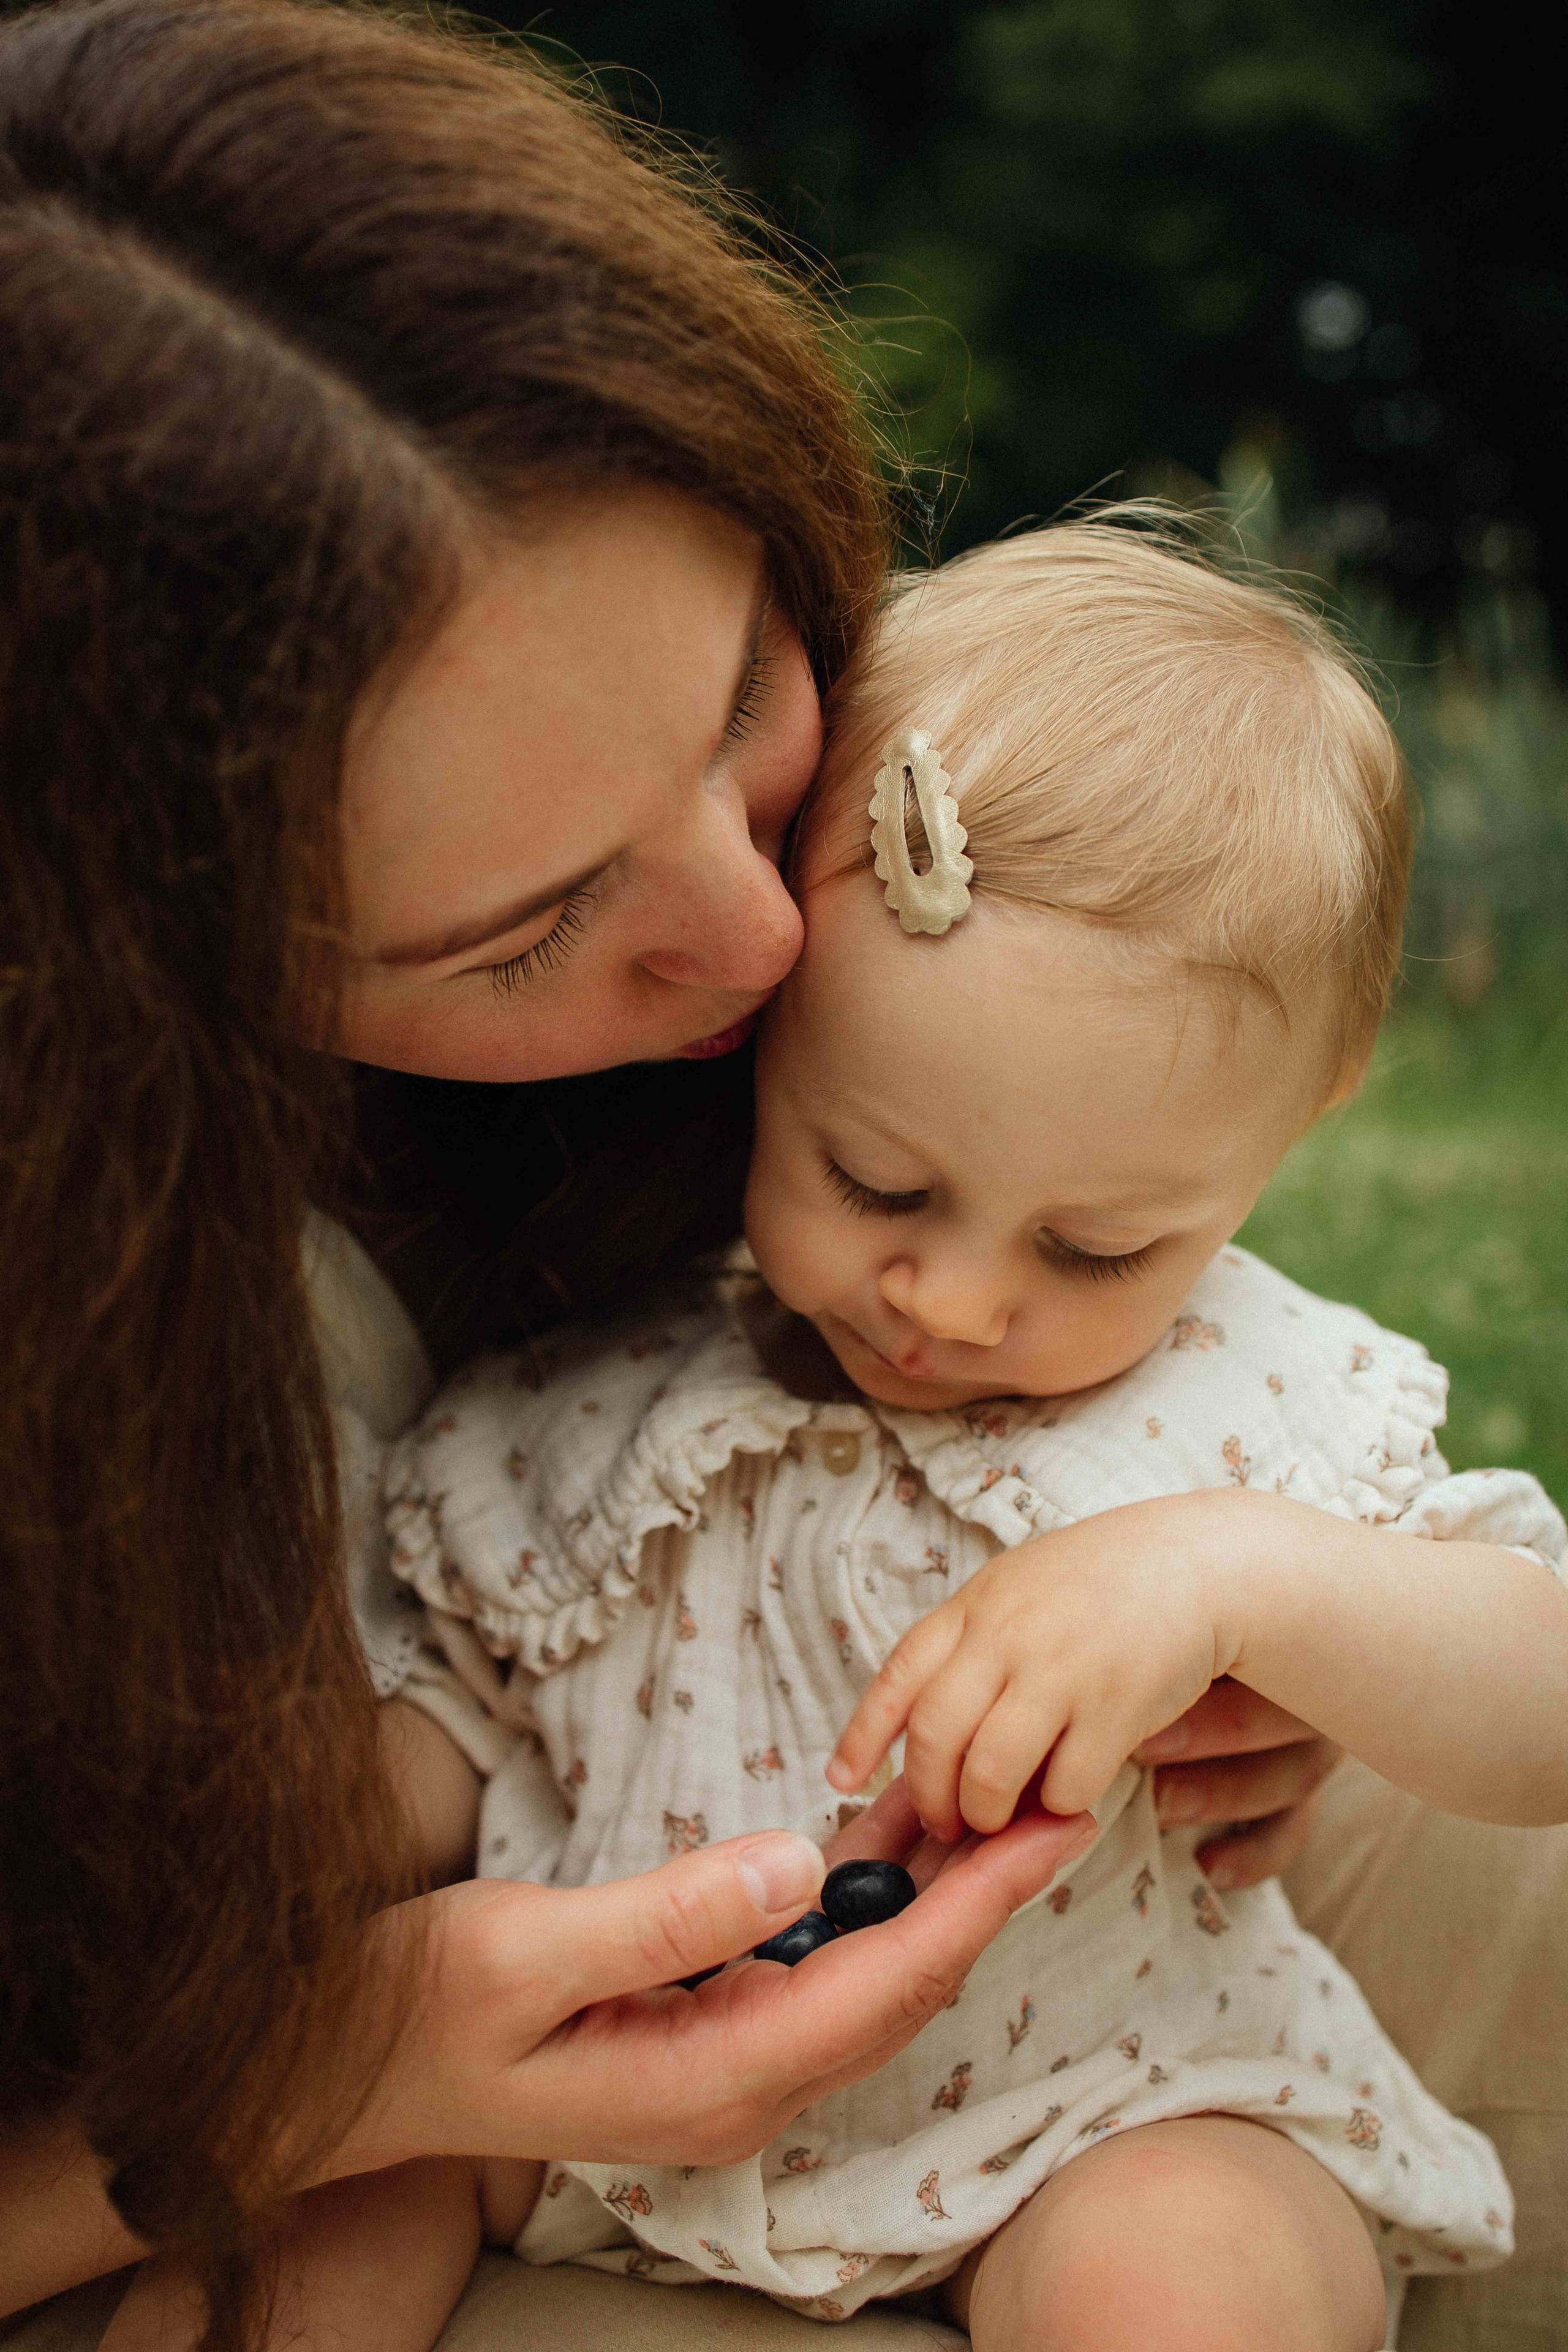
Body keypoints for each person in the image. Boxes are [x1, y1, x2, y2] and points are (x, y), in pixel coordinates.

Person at [0, 10, 1346, 2350]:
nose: (766, 938)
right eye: (522, 925)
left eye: (742, 698)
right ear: (119, 993)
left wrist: (1295, 1621)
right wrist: (338, 2070)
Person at [277, 522, 1564, 2352]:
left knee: (1194, 2271)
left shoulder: (1245, 1405)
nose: (951, 1302)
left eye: (1096, 1243)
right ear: (766, 1027)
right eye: (873, 1176)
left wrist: (1244, 1581)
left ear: (1296, 1125)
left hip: (1095, 2095)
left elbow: (1540, 1712)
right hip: (592, 2102)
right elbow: (453, 1713)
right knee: (330, 2211)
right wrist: (292, 1861)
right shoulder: (604, 1404)